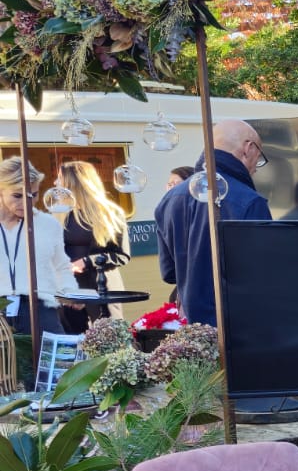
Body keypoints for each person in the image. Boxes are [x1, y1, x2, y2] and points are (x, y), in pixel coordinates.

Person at [154, 120, 272, 326]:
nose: (256, 168)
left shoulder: (169, 199)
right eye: (259, 158)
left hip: (192, 329)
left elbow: (169, 273)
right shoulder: (249, 201)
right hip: (241, 328)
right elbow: (264, 276)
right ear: (248, 148)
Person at [0, 157, 74, 336]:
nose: (27, 203)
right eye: (17, 196)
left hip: (41, 309)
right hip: (2, 308)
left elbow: (62, 266)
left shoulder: (48, 224)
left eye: (33, 195)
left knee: (58, 362)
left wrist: (71, 292)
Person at [55, 161, 131, 331]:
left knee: (109, 339)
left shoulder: (109, 213)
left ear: (74, 183)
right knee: (73, 343)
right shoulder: (60, 214)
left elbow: (122, 255)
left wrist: (87, 261)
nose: (55, 184)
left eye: (59, 179)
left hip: (102, 288)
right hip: (70, 291)